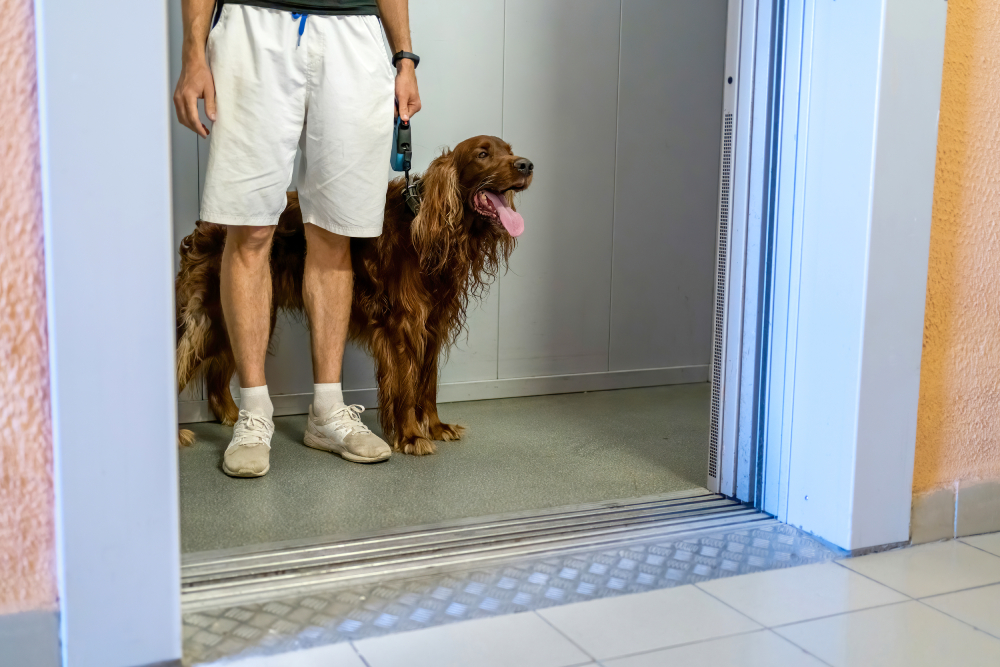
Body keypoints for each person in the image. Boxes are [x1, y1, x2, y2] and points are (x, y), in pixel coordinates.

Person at [173, 0, 421, 477]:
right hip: (254, 24)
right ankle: (253, 413)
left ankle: (327, 412)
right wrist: (194, 53)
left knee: (336, 231)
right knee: (249, 229)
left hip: (355, 30)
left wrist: (405, 57)